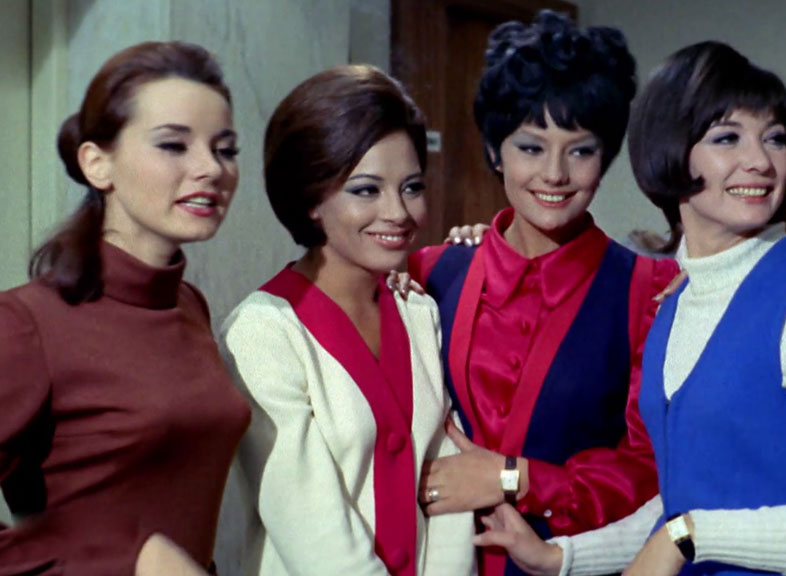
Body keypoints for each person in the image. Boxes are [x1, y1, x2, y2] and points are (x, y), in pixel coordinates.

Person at [475, 41, 786, 576]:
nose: (760, 161)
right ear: (671, 151)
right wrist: (561, 556)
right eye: (727, 138)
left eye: (774, 138)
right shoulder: (676, 303)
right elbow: (682, 501)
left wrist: (687, 537)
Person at [406, 10, 678, 576]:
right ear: (494, 150)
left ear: (605, 158)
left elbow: (647, 468)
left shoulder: (648, 292)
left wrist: (514, 477)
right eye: (531, 148)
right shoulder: (431, 273)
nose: (554, 174)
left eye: (580, 150)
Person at [0, 41, 249, 574]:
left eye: (225, 149)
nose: (210, 168)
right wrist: (126, 560)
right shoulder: (27, 324)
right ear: (97, 163)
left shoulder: (189, 304)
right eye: (174, 145)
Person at [219, 65, 475, 576]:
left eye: (411, 187)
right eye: (366, 190)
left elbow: (449, 488)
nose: (398, 212)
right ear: (313, 198)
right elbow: (313, 532)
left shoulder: (419, 313)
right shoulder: (262, 332)